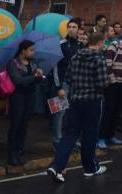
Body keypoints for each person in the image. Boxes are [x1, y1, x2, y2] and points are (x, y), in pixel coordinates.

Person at [46, 33, 109, 183]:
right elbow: (102, 83)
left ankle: (56, 166)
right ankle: (90, 167)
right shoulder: (99, 59)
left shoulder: (75, 57)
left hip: (75, 99)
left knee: (70, 134)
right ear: (100, 43)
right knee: (90, 134)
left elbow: (68, 78)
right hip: (93, 100)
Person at [6, 40, 44, 166]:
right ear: (23, 51)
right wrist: (35, 77)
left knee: (24, 124)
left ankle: (20, 149)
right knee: (16, 124)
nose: (33, 52)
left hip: (30, 97)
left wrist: (40, 76)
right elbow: (18, 81)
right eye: (31, 50)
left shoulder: (33, 63)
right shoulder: (13, 63)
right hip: (18, 97)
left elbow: (37, 81)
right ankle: (12, 152)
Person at [98, 28, 122, 149]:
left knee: (117, 111)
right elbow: (107, 63)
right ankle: (101, 137)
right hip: (112, 84)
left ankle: (110, 135)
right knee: (108, 111)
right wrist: (113, 79)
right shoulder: (113, 46)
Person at [49, 18, 83, 150]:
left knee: (72, 113)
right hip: (62, 84)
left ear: (79, 29)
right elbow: (55, 66)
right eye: (70, 27)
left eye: (74, 27)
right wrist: (58, 87)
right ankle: (57, 141)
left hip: (76, 85)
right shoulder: (61, 43)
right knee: (59, 113)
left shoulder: (80, 45)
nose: (71, 29)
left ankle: (71, 140)